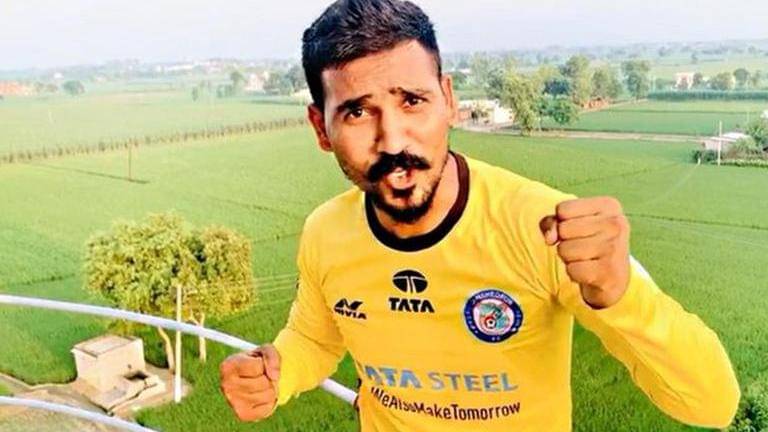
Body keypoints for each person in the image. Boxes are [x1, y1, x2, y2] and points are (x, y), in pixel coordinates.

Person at [219, 0, 740, 430]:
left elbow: (713, 404)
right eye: (357, 111)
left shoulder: (545, 228)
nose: (393, 140)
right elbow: (315, 339)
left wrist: (622, 295)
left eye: (412, 101)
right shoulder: (326, 231)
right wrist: (277, 373)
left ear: (448, 100)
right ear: (320, 127)